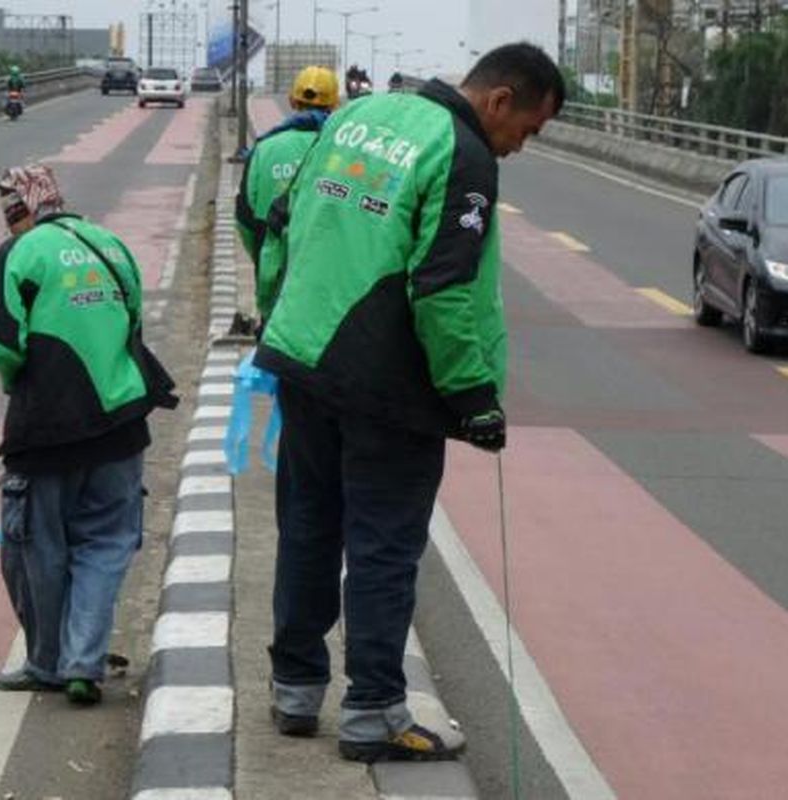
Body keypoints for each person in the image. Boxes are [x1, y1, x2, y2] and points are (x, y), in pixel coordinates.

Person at [253, 43, 564, 761]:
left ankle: (295, 692)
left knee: (307, 524)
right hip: (385, 381)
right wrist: (473, 397)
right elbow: (444, 288)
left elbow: (280, 220)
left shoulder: (356, 115)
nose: (523, 147)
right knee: (383, 546)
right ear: (500, 101)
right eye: (531, 129)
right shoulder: (464, 153)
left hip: (301, 355)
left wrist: (278, 316)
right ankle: (373, 714)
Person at [0, 164, 175, 705]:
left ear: (23, 206)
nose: (8, 218)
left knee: (37, 549)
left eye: (9, 208)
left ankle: (46, 663)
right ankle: (83, 665)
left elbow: (1, 344)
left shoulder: (17, 254)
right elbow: (134, 320)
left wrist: (16, 384)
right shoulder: (110, 243)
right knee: (104, 546)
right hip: (121, 423)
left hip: (46, 428)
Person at [235, 65, 339, 319]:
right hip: (330, 293)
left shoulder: (264, 149)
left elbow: (245, 220)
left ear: (293, 101)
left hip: (275, 291)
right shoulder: (344, 148)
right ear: (335, 105)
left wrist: (265, 260)